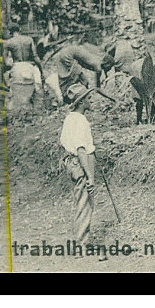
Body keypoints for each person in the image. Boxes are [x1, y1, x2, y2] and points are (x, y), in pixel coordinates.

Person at [60, 85, 98, 245]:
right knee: (84, 204)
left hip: (71, 163)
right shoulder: (80, 120)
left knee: (81, 201)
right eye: (88, 98)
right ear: (81, 102)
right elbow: (81, 149)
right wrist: (90, 176)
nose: (91, 100)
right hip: (79, 164)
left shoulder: (69, 118)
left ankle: (82, 241)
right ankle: (81, 244)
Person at [45, 42, 112, 106]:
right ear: (107, 64)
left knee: (79, 79)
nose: (110, 68)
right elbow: (97, 85)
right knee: (72, 79)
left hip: (65, 52)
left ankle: (77, 96)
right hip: (68, 56)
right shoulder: (97, 66)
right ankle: (68, 97)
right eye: (110, 66)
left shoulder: (97, 59)